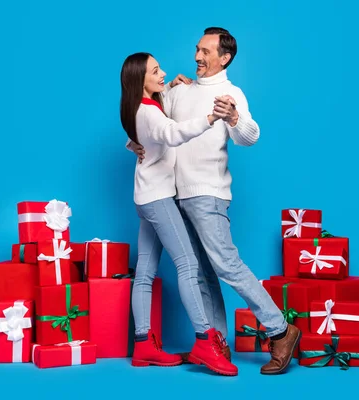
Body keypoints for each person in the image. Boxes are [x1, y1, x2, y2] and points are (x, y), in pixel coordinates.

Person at [127, 28, 301, 375]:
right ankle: (216, 343)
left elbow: (250, 136)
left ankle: (280, 330)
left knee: (225, 265)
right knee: (202, 273)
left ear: (225, 58)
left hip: (208, 193)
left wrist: (234, 118)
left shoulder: (230, 93)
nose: (197, 57)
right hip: (174, 195)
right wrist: (133, 142)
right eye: (196, 50)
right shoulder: (180, 91)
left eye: (206, 52)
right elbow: (154, 125)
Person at [120, 52, 239, 376]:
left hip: (144, 196)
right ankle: (204, 340)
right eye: (156, 72)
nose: (164, 74)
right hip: (159, 199)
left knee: (145, 272)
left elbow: (140, 134)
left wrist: (169, 86)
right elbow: (171, 133)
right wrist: (210, 119)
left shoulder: (139, 106)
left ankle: (142, 344)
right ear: (140, 80)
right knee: (188, 265)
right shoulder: (150, 113)